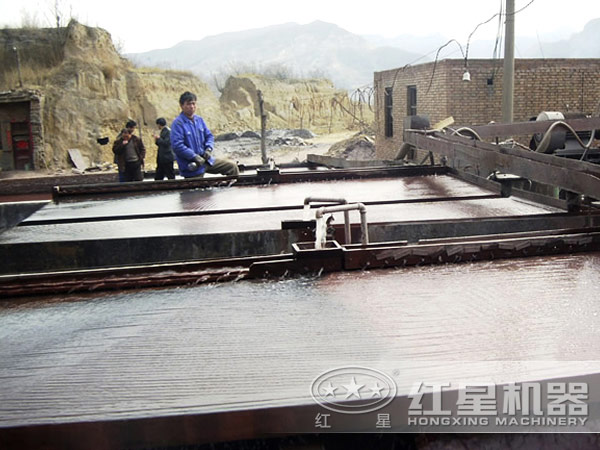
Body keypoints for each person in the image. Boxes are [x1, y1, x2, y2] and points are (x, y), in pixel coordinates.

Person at [170, 91, 239, 178]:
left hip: (207, 161)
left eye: (193, 104)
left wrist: (208, 149)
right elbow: (177, 146)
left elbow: (209, 136)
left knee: (232, 167)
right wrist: (194, 156)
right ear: (181, 105)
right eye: (188, 104)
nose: (192, 106)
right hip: (192, 166)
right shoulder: (178, 123)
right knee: (199, 186)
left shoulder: (199, 120)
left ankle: (231, 186)